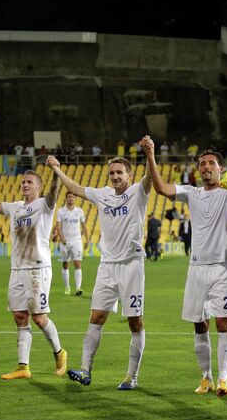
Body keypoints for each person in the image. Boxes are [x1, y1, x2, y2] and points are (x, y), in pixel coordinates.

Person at [143, 136, 227, 398]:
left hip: (223, 269)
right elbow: (160, 188)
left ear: (221, 169)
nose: (205, 167)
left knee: (224, 324)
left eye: (211, 163)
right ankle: (206, 378)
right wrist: (150, 154)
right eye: (201, 163)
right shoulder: (191, 193)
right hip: (196, 269)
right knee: (199, 325)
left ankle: (224, 379)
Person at [50, 155, 151, 390]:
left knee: (135, 322)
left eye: (120, 172)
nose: (115, 176)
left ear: (129, 175)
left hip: (131, 265)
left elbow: (150, 178)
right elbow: (74, 187)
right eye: (112, 173)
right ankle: (85, 370)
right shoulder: (102, 194)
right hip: (107, 266)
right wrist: (56, 168)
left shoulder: (138, 192)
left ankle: (131, 377)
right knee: (96, 318)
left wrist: (150, 154)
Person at [0, 158, 68, 380]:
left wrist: (55, 171)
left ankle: (59, 352)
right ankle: (23, 366)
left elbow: (54, 193)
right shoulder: (15, 207)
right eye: (23, 182)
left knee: (39, 318)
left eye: (30, 182)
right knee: (20, 316)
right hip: (17, 269)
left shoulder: (45, 205)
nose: (25, 185)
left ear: (38, 187)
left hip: (37, 268)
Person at [55, 192, 89, 296]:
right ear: (66, 198)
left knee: (77, 264)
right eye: (69, 197)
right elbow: (58, 226)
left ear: (75, 199)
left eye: (72, 197)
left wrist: (87, 240)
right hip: (65, 241)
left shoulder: (79, 211)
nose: (70, 198)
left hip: (77, 241)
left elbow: (84, 226)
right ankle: (67, 287)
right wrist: (62, 238)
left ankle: (78, 288)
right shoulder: (61, 211)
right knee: (65, 264)